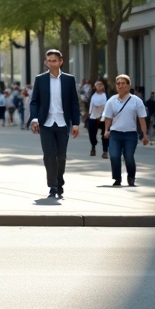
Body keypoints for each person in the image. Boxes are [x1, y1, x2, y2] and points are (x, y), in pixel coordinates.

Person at [30, 50, 81, 199]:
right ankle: (52, 186)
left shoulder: (69, 80)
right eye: (49, 60)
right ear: (46, 62)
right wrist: (34, 119)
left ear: (60, 62)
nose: (51, 63)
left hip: (62, 123)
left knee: (61, 156)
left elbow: (74, 103)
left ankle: (59, 180)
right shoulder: (40, 79)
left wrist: (76, 123)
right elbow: (34, 102)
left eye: (54, 60)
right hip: (46, 123)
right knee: (49, 156)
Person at [102, 75, 150, 187]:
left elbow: (141, 119)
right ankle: (117, 178)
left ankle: (131, 177)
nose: (120, 85)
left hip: (130, 134)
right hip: (115, 134)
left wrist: (145, 135)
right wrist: (106, 130)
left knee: (128, 156)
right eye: (118, 83)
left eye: (123, 83)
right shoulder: (111, 101)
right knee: (114, 156)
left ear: (128, 86)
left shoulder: (136, 101)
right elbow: (108, 117)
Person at [86, 80, 108, 159]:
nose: (98, 86)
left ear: (103, 86)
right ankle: (93, 147)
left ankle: (105, 151)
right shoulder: (93, 95)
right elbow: (90, 105)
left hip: (104, 117)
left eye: (100, 84)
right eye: (97, 85)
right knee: (92, 134)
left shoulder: (106, 95)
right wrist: (89, 113)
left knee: (105, 135)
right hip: (93, 117)